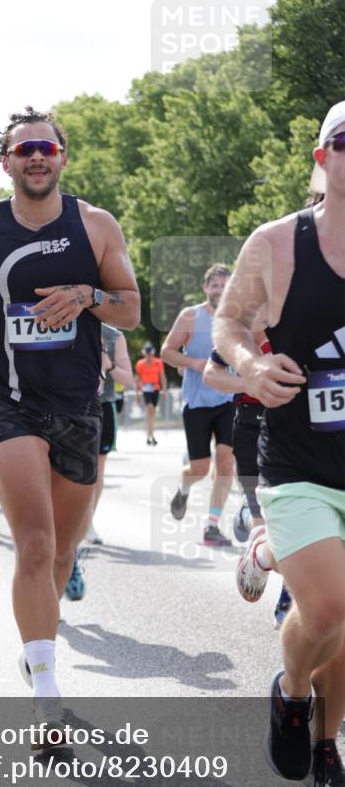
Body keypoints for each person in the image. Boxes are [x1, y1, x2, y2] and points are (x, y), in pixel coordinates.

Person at [0, 106, 140, 725]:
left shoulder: (95, 225)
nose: (35, 156)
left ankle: (39, 652)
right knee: (33, 544)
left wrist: (90, 296)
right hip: (6, 400)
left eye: (46, 147)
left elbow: (130, 310)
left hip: (77, 404)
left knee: (63, 554)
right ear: (5, 162)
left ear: (62, 157)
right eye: (23, 149)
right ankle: (46, 692)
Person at [213, 101, 345, 787]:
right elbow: (229, 322)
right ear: (321, 157)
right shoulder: (277, 242)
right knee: (325, 611)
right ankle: (290, 693)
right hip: (300, 464)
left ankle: (325, 744)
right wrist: (249, 365)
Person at [203, 336, 292, 628]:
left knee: (292, 513)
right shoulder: (243, 323)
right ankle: (253, 525)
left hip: (297, 424)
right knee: (265, 522)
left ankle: (289, 594)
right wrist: (249, 383)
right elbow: (211, 373)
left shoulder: (306, 312)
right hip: (251, 424)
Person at [161, 264, 235, 546]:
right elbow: (167, 351)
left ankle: (212, 526)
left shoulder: (238, 318)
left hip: (229, 399)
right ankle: (184, 487)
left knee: (226, 459)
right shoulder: (190, 316)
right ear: (205, 288)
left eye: (224, 285)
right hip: (198, 402)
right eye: (214, 285)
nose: (219, 290)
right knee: (200, 468)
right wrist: (193, 363)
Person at [66, 325, 134, 597]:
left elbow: (127, 379)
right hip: (66, 405)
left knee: (94, 472)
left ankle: (87, 521)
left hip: (100, 407)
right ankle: (72, 531)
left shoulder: (113, 335)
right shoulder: (64, 322)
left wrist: (107, 366)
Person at [134, 344, 166, 445]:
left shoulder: (158, 362)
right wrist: (137, 394)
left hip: (155, 388)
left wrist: (164, 390)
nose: (148, 356)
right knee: (150, 408)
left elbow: (162, 377)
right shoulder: (140, 364)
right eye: (147, 354)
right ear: (144, 354)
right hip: (146, 389)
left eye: (150, 354)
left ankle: (150, 435)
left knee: (152, 413)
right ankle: (150, 435)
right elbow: (137, 379)